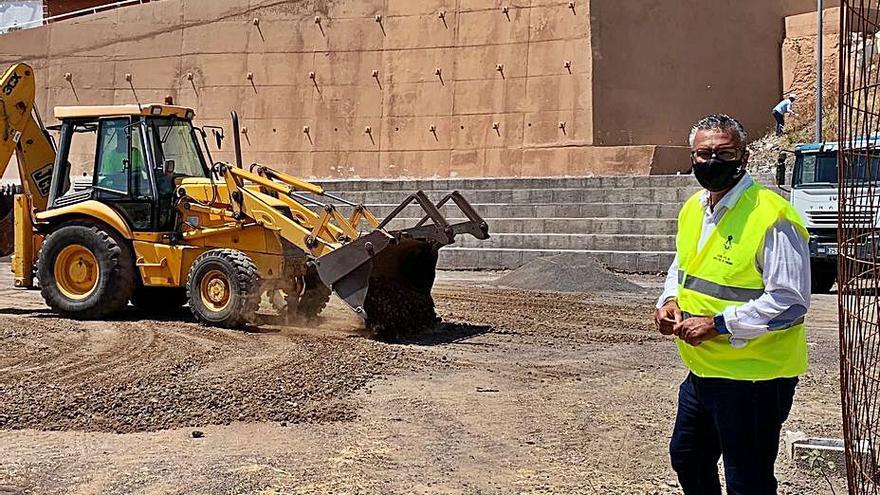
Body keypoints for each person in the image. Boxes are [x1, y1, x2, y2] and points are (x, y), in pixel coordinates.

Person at [654, 114, 811, 495]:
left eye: (723, 153)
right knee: (688, 456)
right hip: (703, 372)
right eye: (703, 153)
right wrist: (668, 299)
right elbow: (683, 265)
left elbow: (790, 303)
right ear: (691, 157)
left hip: (754, 380)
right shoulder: (694, 208)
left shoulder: (771, 216)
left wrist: (719, 324)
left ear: (743, 157)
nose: (711, 161)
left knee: (748, 480)